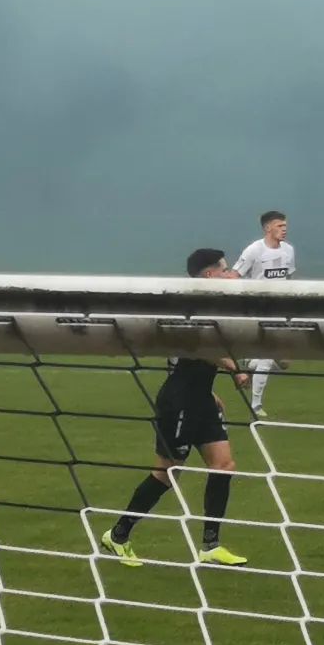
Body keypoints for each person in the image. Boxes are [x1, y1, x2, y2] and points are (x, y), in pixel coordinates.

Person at [100, 249, 250, 567]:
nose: (229, 274)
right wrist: (234, 367)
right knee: (167, 473)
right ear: (209, 274)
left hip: (201, 399)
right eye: (224, 270)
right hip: (178, 402)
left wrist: (210, 391)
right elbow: (197, 350)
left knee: (224, 466)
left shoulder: (210, 307)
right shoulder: (188, 307)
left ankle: (210, 546)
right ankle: (117, 535)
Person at [230, 211, 296, 419]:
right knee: (268, 356)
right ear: (268, 228)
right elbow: (234, 275)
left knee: (284, 363)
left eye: (285, 225)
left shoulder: (288, 250)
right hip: (258, 312)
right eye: (280, 226)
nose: (284, 229)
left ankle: (251, 365)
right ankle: (256, 406)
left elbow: (289, 279)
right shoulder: (254, 250)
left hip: (279, 312)